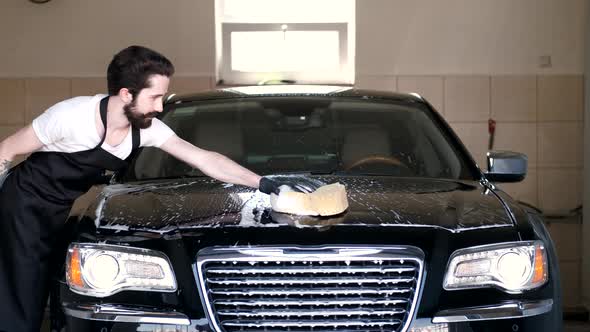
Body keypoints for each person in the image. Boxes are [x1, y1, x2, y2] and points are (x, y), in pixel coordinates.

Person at [0, 45, 294, 332]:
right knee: (20, 296)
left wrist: (264, 183)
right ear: (126, 94)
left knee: (39, 291)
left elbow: (204, 159)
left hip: (56, 210)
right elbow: (6, 150)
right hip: (21, 205)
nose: (160, 106)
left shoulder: (147, 129)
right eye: (154, 97)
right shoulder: (70, 117)